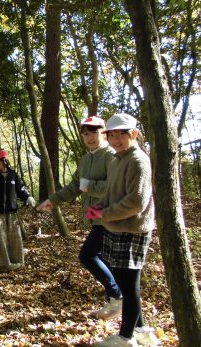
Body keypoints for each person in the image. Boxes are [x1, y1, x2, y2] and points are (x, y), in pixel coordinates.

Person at [36, 116, 122, 320]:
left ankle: (118, 297)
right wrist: (52, 200)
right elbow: (75, 186)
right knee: (104, 261)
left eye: (94, 132)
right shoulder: (85, 159)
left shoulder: (111, 155)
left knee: (88, 256)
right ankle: (114, 301)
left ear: (104, 132)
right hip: (95, 218)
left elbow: (115, 187)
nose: (90, 137)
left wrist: (89, 186)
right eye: (85, 133)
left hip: (109, 217)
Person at [86, 113, 158, 347]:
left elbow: (136, 201)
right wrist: (99, 207)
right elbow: (112, 193)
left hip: (133, 228)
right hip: (115, 228)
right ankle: (141, 330)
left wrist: (104, 214)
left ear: (134, 134)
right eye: (112, 135)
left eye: (121, 135)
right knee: (124, 281)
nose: (116, 140)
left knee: (129, 285)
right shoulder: (117, 160)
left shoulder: (138, 160)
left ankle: (126, 338)